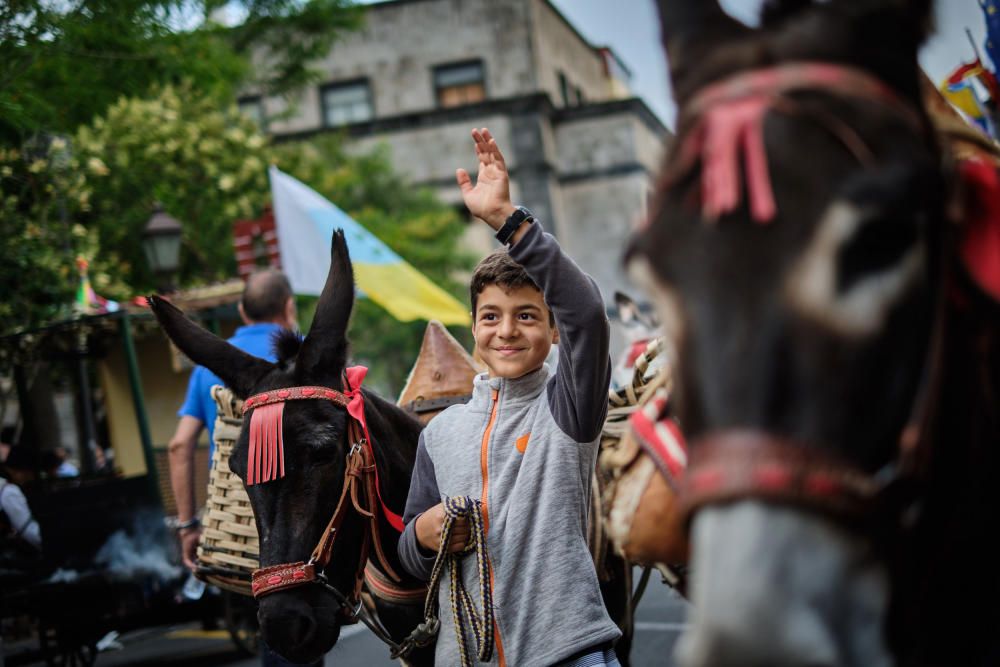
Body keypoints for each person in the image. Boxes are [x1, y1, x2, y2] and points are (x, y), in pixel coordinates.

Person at [398, 128, 621, 666]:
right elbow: (408, 555)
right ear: (473, 327)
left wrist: (507, 222)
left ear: (553, 330)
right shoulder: (441, 433)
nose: (507, 331)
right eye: (490, 317)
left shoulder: (567, 408)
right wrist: (423, 538)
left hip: (569, 654)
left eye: (527, 316)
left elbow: (587, 313)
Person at [0, 446, 42, 568]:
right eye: (29, 473)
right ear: (18, 471)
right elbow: (29, 530)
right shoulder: (9, 491)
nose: (31, 478)